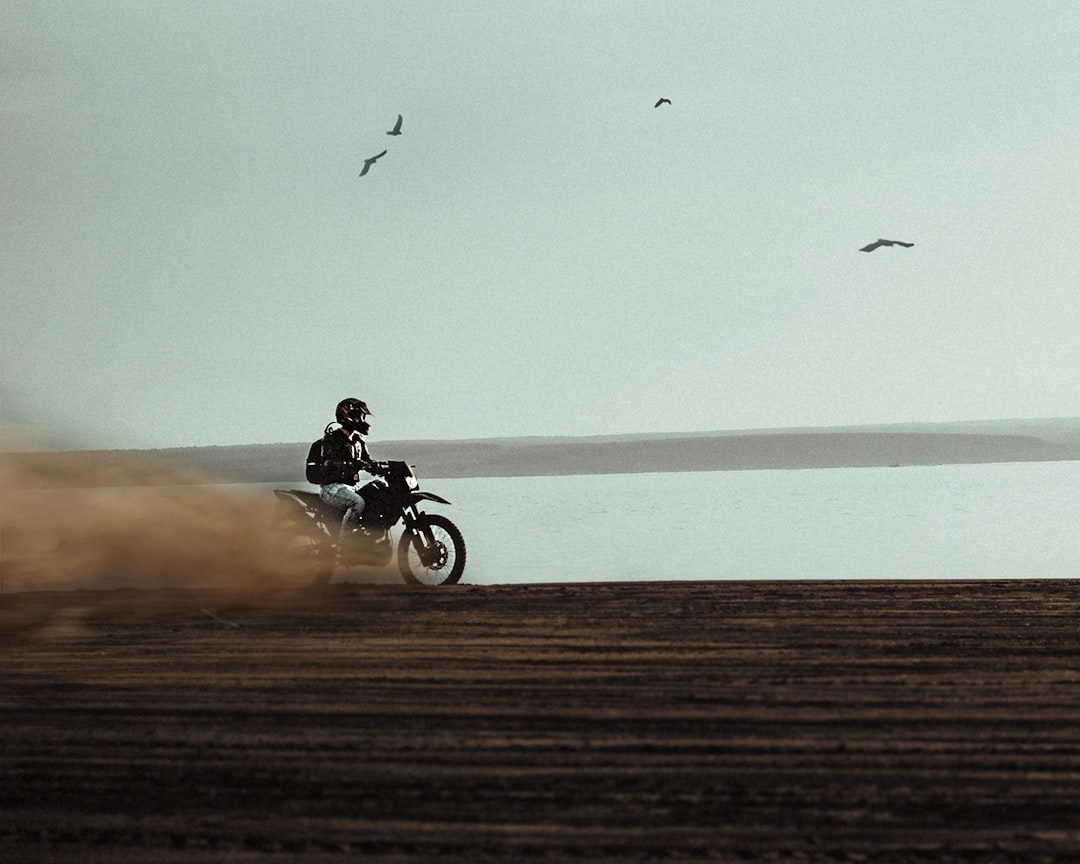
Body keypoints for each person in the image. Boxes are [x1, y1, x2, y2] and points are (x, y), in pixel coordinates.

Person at [317, 398, 381, 541]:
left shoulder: (358, 440)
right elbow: (332, 462)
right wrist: (354, 464)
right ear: (347, 416)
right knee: (358, 503)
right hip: (332, 488)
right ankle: (345, 543)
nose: (361, 419)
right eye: (358, 416)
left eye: (362, 416)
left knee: (377, 492)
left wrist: (381, 466)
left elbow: (368, 460)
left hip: (351, 487)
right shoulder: (332, 439)